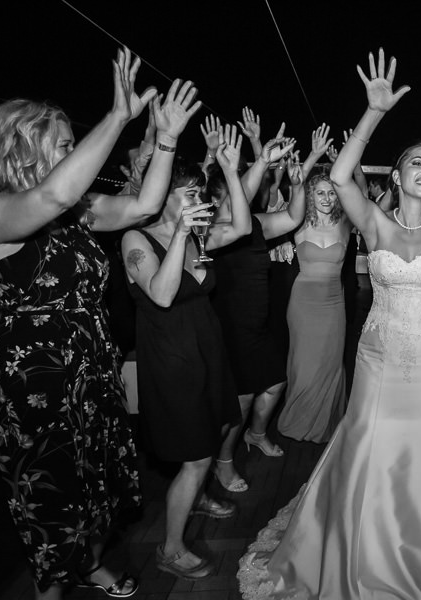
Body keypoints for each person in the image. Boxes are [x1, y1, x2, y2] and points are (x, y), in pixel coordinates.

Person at [238, 41, 421, 598]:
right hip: (379, 358)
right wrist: (374, 112)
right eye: (416, 163)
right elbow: (337, 174)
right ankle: (359, 535)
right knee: (369, 444)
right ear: (399, 175)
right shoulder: (375, 226)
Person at [0, 49, 196, 599]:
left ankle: (92, 565)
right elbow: (53, 192)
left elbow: (143, 206)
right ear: (25, 147)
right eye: (66, 144)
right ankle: (52, 591)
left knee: (97, 490)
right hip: (40, 386)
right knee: (52, 502)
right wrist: (118, 118)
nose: (75, 154)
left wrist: (164, 140)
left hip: (92, 369)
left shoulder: (79, 212)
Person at [121, 125, 248, 580]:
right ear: (162, 197)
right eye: (190, 192)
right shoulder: (136, 240)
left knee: (214, 431)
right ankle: (170, 549)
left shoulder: (198, 234)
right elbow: (161, 293)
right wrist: (178, 234)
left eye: (199, 191)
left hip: (205, 350)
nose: (199, 199)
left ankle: (199, 494)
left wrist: (231, 173)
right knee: (194, 456)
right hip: (172, 359)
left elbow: (245, 227)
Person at [208, 113, 301, 488]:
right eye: (229, 195)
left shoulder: (258, 222)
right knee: (242, 399)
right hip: (231, 327)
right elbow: (239, 201)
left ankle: (256, 434)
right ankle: (223, 460)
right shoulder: (211, 232)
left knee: (276, 381)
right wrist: (258, 161)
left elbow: (294, 217)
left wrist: (297, 184)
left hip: (259, 325)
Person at [277, 170, 350, 443]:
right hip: (303, 304)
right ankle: (297, 420)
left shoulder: (345, 222)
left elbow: (366, 198)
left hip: (334, 304)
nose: (327, 198)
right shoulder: (296, 222)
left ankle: (326, 422)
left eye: (331, 192)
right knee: (302, 364)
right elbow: (269, 218)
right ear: (309, 195)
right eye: (320, 192)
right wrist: (282, 242)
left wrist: (349, 167)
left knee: (330, 363)